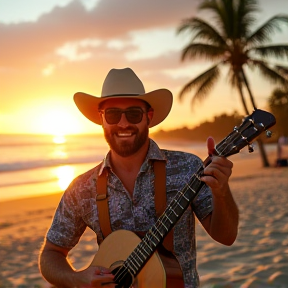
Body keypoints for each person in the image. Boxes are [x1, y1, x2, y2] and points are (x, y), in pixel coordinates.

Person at [39, 67, 239, 288]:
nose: (123, 124)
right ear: (102, 119)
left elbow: (226, 237)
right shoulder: (82, 188)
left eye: (133, 113)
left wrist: (221, 193)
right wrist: (77, 279)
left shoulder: (187, 167)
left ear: (149, 117)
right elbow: (51, 254)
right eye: (113, 114)